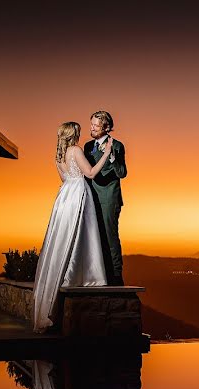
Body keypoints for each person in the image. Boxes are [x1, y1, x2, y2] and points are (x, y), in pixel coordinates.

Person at [32, 122, 113, 333]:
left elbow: (64, 179)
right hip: (77, 195)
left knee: (62, 238)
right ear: (73, 134)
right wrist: (107, 154)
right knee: (81, 235)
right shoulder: (76, 150)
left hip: (64, 196)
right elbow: (91, 173)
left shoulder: (58, 157)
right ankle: (83, 275)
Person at [84, 110, 128, 286]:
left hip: (109, 198)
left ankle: (116, 275)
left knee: (110, 236)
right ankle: (99, 273)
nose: (92, 128)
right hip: (91, 197)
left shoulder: (117, 145)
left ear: (107, 127)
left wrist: (112, 157)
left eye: (96, 125)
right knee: (95, 237)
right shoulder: (87, 146)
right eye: (91, 124)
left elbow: (122, 173)